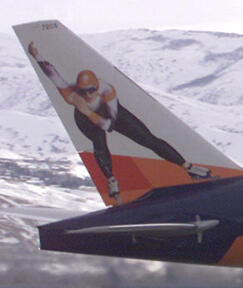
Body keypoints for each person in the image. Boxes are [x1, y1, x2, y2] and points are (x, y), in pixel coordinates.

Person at [28, 42, 211, 204]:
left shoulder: (107, 91)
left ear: (97, 87)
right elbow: (52, 73)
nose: (88, 94)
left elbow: (110, 125)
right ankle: (111, 179)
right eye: (83, 91)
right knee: (99, 143)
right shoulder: (73, 95)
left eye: (91, 90)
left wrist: (90, 111)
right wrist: (37, 55)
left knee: (147, 139)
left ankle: (188, 167)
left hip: (109, 113)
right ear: (78, 89)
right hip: (83, 116)